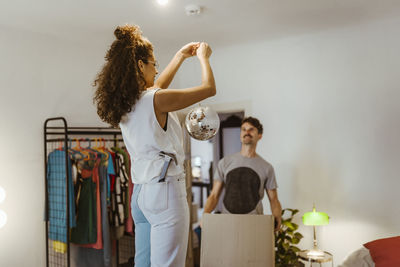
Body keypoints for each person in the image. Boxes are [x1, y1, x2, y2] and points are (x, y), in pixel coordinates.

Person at [93, 24, 215, 267]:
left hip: (140, 195)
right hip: (165, 193)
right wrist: (204, 58)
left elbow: (157, 87)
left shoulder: (127, 104)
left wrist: (180, 57)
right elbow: (209, 88)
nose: (156, 68)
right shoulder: (154, 100)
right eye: (153, 63)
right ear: (140, 66)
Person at [202, 117, 282, 231]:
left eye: (251, 129)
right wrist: (205, 215)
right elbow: (214, 195)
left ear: (259, 136)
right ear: (240, 135)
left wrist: (277, 217)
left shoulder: (267, 167)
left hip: (255, 223)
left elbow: (274, 199)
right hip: (228, 222)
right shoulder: (225, 162)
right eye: (243, 129)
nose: (247, 132)